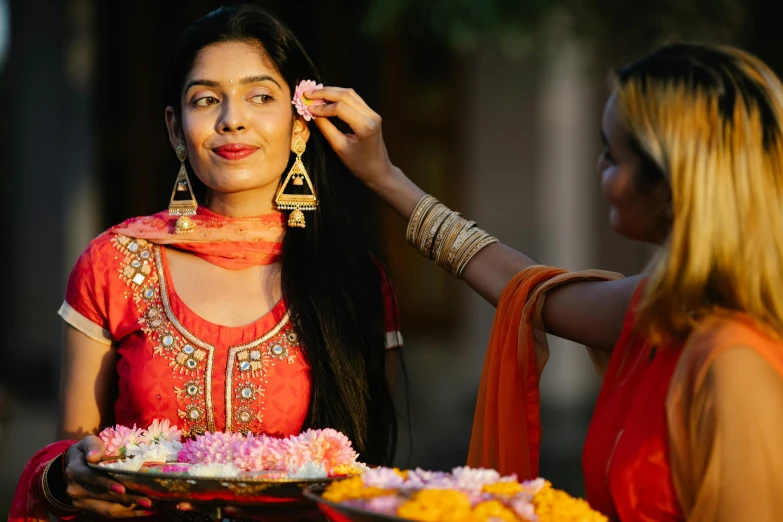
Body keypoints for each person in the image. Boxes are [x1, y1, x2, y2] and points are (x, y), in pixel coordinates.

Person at [303, 43, 783, 520]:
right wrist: (385, 178)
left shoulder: (732, 361)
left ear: (671, 184)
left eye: (612, 157)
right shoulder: (665, 310)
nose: (599, 168)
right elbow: (525, 288)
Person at [10, 5, 403, 521]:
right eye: (206, 99)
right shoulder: (117, 263)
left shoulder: (352, 277)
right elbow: (70, 454)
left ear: (301, 127)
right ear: (176, 128)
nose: (231, 118)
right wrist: (66, 477)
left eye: (260, 96)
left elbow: (369, 478)